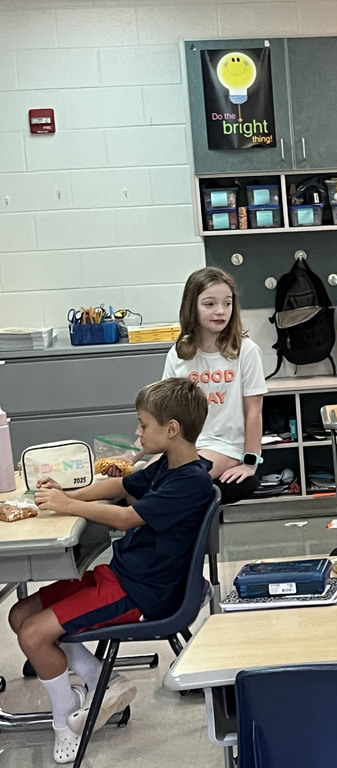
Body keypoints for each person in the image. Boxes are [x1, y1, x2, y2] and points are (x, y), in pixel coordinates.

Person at [7, 378, 215, 764]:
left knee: (35, 635)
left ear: (171, 430)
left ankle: (65, 721)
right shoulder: (170, 466)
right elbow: (117, 484)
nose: (137, 433)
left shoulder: (190, 482)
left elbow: (124, 518)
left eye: (143, 425)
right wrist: (66, 495)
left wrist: (68, 507)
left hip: (140, 590)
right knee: (20, 614)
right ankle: (104, 682)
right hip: (122, 575)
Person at [162, 267, 267, 485]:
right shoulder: (178, 353)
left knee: (176, 482)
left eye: (227, 303)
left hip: (226, 446)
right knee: (135, 485)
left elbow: (254, 411)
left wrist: (250, 462)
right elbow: (163, 412)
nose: (221, 311)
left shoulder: (246, 351)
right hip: (185, 445)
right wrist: (132, 455)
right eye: (210, 304)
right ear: (192, 307)